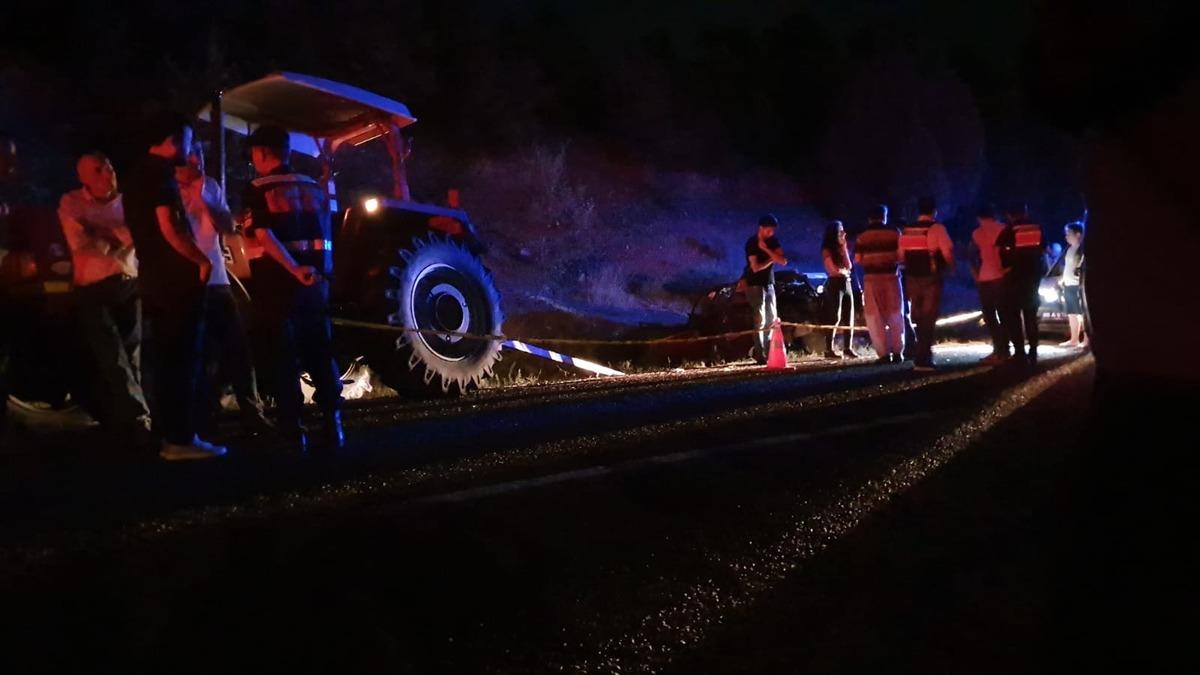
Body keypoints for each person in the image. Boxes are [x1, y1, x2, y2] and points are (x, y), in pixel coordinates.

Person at [122, 112, 225, 461]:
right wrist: (200, 260)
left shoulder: (136, 175)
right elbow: (169, 226)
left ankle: (167, 437)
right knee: (182, 359)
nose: (189, 146)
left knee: (161, 360)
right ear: (171, 138)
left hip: (152, 277)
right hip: (175, 280)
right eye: (185, 138)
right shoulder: (161, 175)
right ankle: (181, 439)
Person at [241, 125, 344, 451]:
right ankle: (333, 423)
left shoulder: (258, 188)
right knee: (319, 351)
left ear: (260, 153)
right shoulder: (313, 187)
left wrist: (293, 268)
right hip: (316, 285)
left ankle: (293, 428)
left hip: (278, 285)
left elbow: (263, 236)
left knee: (284, 355)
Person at [176, 139, 272, 434]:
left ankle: (253, 412)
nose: (198, 159)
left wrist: (204, 194)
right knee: (200, 353)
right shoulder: (168, 192)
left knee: (238, 347)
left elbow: (228, 227)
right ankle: (205, 415)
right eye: (192, 154)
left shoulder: (210, 186)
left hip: (218, 279)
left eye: (201, 153)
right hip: (187, 284)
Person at [58, 152, 151, 436]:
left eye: (108, 167)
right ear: (83, 177)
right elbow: (80, 244)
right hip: (93, 287)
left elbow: (138, 233)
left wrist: (100, 233)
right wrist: (118, 235)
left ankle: (125, 419)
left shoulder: (129, 202)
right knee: (112, 354)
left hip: (129, 282)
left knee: (131, 353)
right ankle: (138, 417)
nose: (106, 174)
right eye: (98, 170)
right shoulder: (72, 202)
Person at [899, 197, 956, 372]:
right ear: (934, 211)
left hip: (911, 277)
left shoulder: (907, 231)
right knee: (928, 318)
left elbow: (900, 257)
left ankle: (919, 354)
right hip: (931, 278)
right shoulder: (937, 229)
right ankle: (923, 358)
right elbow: (947, 253)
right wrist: (951, 267)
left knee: (917, 316)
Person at [996, 203, 1047, 365]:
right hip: (1033, 277)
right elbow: (1043, 250)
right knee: (1031, 315)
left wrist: (1005, 269)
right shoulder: (1037, 228)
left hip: (1015, 277)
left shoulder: (1010, 230)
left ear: (1009, 215)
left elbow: (1001, 251)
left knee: (1014, 315)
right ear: (1025, 212)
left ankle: (1020, 352)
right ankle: (1033, 350)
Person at [854, 205, 904, 363]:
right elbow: (901, 256)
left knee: (874, 316)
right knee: (895, 313)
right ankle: (898, 352)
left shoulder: (862, 236)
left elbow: (858, 259)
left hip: (871, 279)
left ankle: (883, 354)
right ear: (885, 216)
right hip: (891, 277)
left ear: (869, 218)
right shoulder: (894, 233)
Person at [742, 213, 788, 364]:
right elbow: (755, 267)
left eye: (773, 230)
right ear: (761, 228)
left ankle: (770, 353)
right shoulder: (752, 243)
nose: (771, 233)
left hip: (769, 283)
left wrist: (768, 251)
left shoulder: (772, 242)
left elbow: (783, 261)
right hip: (755, 284)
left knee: (772, 319)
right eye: (769, 230)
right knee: (759, 319)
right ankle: (759, 353)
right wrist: (772, 258)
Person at [969, 204, 1012, 363]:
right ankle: (1006, 349)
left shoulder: (977, 233)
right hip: (1002, 276)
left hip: (985, 277)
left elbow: (971, 255)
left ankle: (998, 349)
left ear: (979, 217)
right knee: (1005, 314)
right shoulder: (1004, 229)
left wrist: (975, 273)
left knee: (990, 315)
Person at [820, 220, 858, 359]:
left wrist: (844, 247)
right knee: (834, 316)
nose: (843, 233)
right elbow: (833, 270)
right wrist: (843, 271)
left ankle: (848, 347)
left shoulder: (840, 248)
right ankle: (828, 349)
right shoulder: (827, 249)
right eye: (840, 231)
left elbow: (849, 265)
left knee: (849, 316)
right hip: (835, 284)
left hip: (846, 283)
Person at [1058, 221, 1087, 348]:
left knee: (1082, 313)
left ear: (1078, 234)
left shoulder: (1083, 249)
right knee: (1072, 313)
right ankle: (1074, 339)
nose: (1066, 236)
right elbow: (1068, 267)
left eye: (1069, 233)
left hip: (1078, 285)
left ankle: (1086, 339)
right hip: (1068, 284)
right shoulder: (1070, 249)